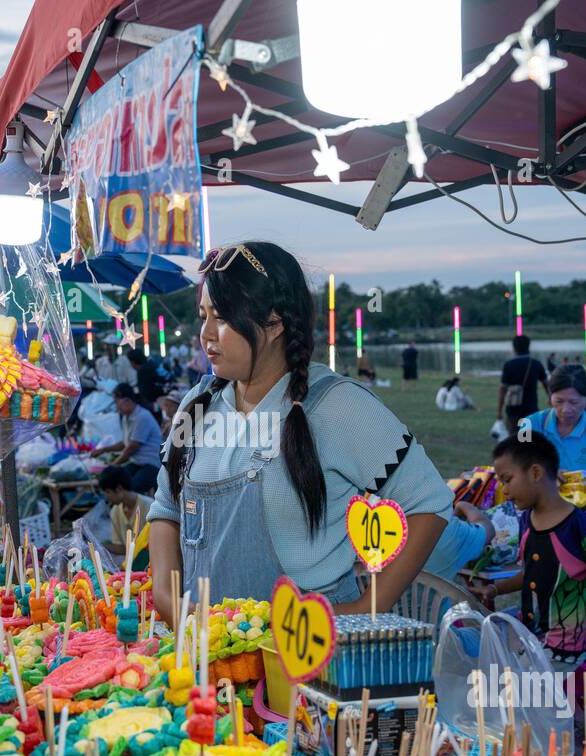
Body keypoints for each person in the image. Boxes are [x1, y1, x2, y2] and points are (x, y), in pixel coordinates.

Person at [149, 241, 450, 615]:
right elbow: (166, 506)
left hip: (305, 655)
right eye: (203, 315)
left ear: (274, 323)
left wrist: (369, 605)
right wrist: (167, 598)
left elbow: (429, 503)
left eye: (223, 318)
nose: (206, 334)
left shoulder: (336, 405)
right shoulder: (197, 404)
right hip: (206, 652)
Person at [477, 433, 586, 669]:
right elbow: (530, 573)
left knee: (534, 697)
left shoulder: (577, 525)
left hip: (567, 644)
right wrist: (494, 589)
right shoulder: (526, 521)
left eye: (507, 480)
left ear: (536, 473)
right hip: (535, 635)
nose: (505, 490)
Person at [528, 364, 586, 472]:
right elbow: (516, 470)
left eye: (574, 402)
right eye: (559, 401)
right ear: (550, 396)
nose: (566, 410)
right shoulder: (529, 425)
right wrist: (548, 476)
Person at [93, 383, 163, 493]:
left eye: (116, 402)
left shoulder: (142, 417)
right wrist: (103, 450)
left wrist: (114, 465)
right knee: (114, 482)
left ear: (126, 400)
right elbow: (125, 443)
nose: (116, 406)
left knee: (129, 490)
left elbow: (131, 447)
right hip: (137, 463)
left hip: (151, 465)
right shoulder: (127, 417)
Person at [497, 334, 549, 435]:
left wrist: (499, 411)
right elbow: (547, 385)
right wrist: (552, 400)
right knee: (528, 440)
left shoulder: (508, 365)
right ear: (528, 347)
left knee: (514, 440)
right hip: (531, 408)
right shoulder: (536, 364)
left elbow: (502, 390)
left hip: (512, 409)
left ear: (514, 348)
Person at [98, 465, 152, 554]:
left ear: (119, 489)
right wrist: (99, 545)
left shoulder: (149, 506)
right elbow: (121, 548)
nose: (106, 497)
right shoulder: (115, 511)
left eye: (108, 492)